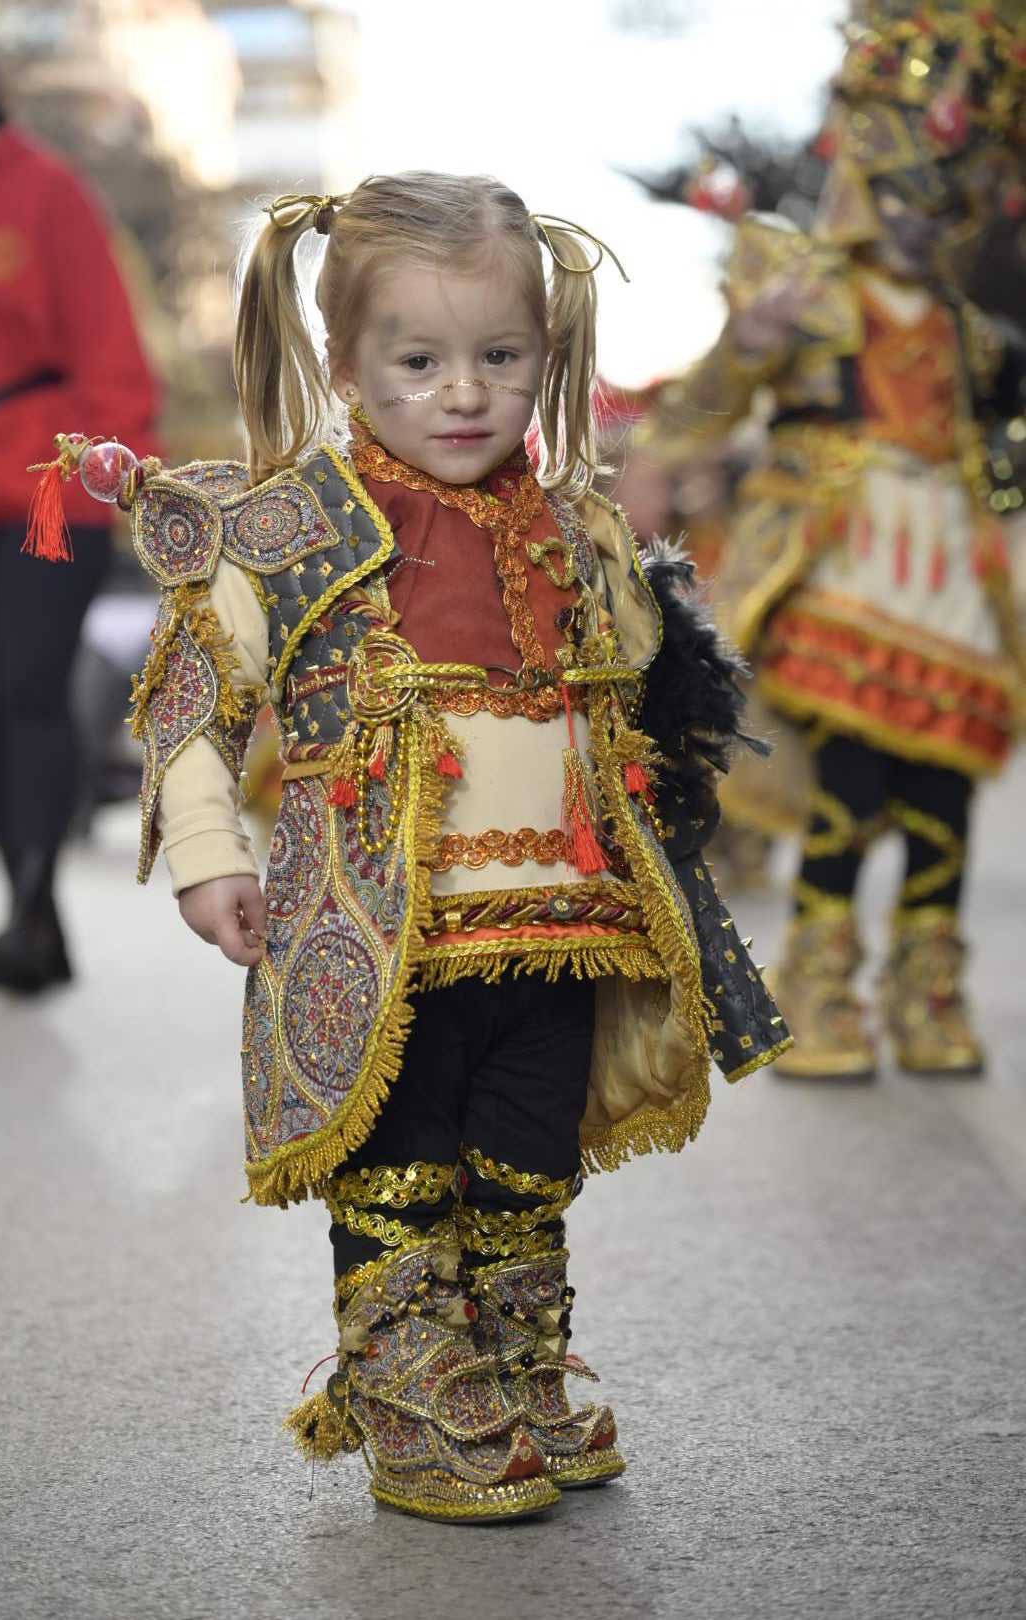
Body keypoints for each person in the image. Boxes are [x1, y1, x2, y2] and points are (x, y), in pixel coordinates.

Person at [43, 172, 787, 1523]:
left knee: (527, 1153)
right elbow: (199, 692)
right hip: (384, 934)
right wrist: (211, 852)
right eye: (421, 360)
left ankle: (510, 1354)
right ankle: (402, 1377)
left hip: (564, 918)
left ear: (544, 360)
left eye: (501, 359)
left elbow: (637, 685)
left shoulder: (575, 521)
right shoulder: (291, 523)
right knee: (402, 1144)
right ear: (348, 362)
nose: (464, 393)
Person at [636, 0, 1026, 1079]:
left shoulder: (971, 332)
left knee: (943, 785)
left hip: (952, 571)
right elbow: (699, 414)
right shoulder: (800, 291)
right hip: (835, 563)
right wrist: (745, 343)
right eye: (901, 187)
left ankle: (926, 984)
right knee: (849, 783)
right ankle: (820, 984)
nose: (916, 215)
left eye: (942, 195)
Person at [0, 10, 160, 992]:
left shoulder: (47, 191)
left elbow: (111, 351)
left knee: (30, 687)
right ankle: (26, 902)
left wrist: (120, 481)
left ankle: (32, 908)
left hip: (43, 489)